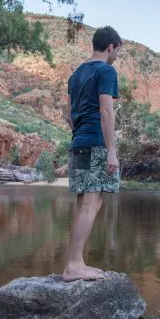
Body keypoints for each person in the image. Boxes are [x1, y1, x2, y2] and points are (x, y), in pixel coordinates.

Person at [62, 26, 122, 282]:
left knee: (85, 204)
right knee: (91, 203)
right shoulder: (106, 70)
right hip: (96, 143)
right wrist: (111, 151)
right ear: (111, 47)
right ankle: (73, 265)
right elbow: (106, 112)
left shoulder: (76, 74)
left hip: (79, 143)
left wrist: (80, 136)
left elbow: (68, 115)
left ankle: (77, 261)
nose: (117, 55)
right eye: (118, 50)